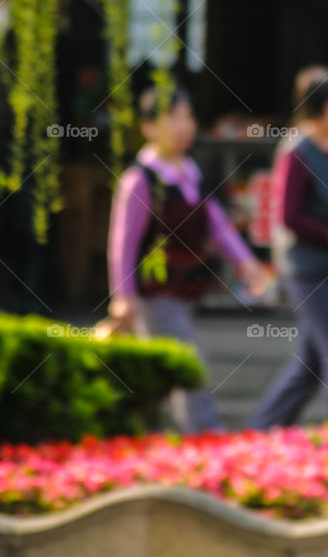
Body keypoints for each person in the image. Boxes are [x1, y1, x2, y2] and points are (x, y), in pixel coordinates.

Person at [108, 86, 267, 433]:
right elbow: (123, 242)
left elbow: (217, 225)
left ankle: (148, 436)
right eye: (172, 118)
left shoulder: (190, 172)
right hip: (156, 291)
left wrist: (245, 260)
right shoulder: (141, 179)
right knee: (187, 365)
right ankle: (206, 435)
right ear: (148, 127)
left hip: (183, 288)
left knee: (162, 371)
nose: (183, 126)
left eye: (187, 116)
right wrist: (123, 296)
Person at [249, 70, 328, 429]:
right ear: (321, 107)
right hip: (304, 269)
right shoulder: (297, 150)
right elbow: (289, 216)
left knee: (310, 364)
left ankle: (260, 428)